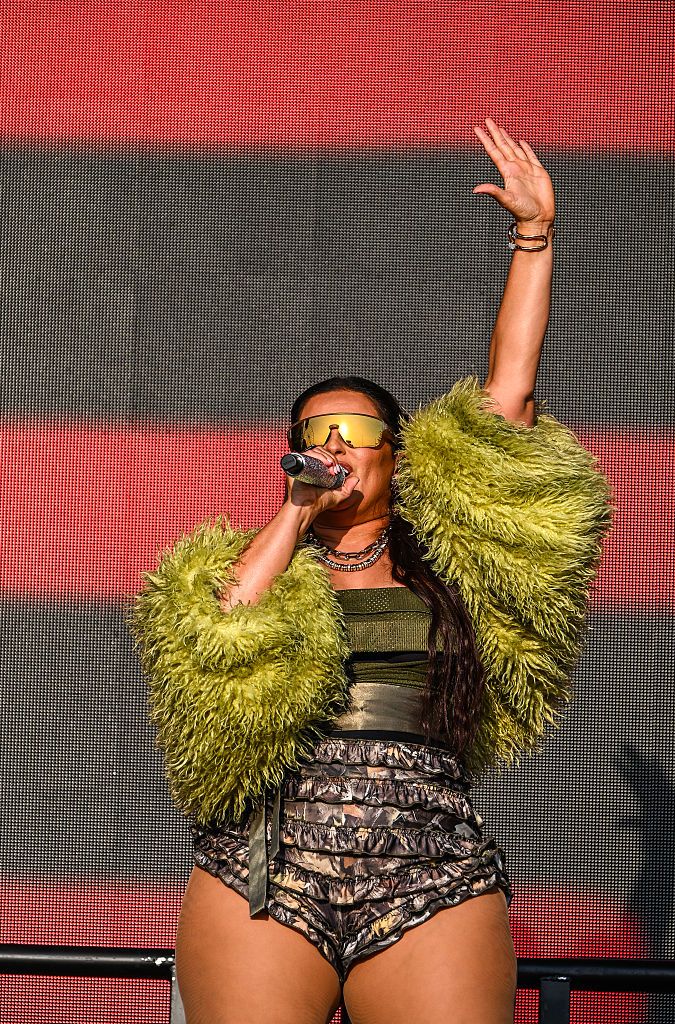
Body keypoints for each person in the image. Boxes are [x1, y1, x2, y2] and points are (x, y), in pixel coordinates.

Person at [132, 119, 612, 1024]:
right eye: (315, 433)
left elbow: (506, 401)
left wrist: (533, 235)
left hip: (428, 859)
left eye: (355, 431)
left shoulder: (452, 561)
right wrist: (295, 512)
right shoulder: (263, 557)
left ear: (398, 453)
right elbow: (220, 631)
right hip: (267, 861)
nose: (335, 445)